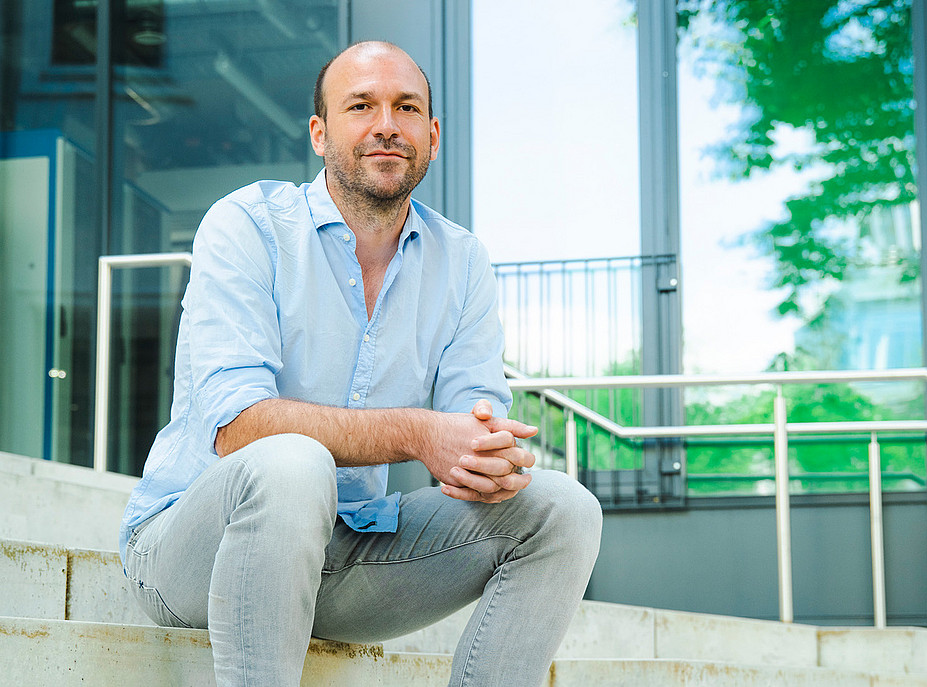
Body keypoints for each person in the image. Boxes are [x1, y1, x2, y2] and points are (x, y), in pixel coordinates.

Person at [119, 40, 602, 687]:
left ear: (430, 135)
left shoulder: (460, 261)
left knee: (562, 508)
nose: (385, 124)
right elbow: (236, 428)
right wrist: (419, 433)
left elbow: (469, 426)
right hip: (190, 550)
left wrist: (485, 452)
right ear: (320, 133)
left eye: (406, 108)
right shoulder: (246, 225)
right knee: (292, 461)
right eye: (360, 105)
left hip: (347, 551)